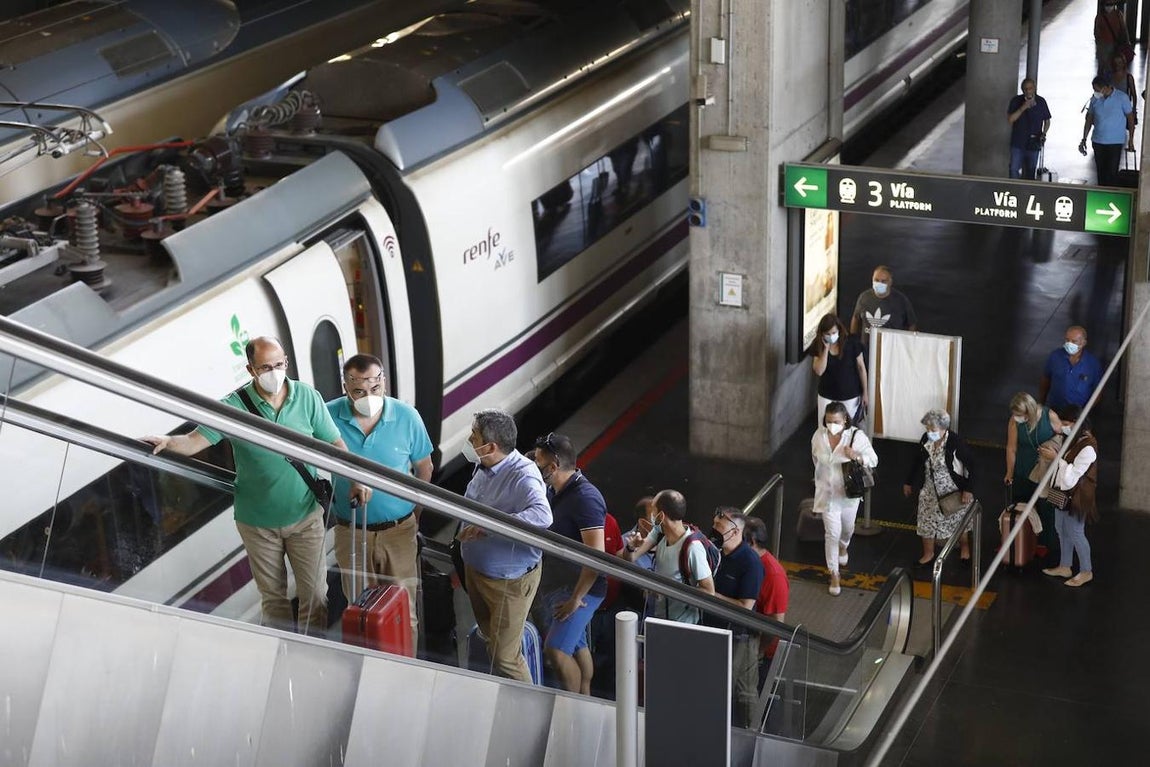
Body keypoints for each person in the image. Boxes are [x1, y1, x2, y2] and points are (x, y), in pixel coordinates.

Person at [145, 337, 358, 634]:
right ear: (251, 370)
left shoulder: (307, 397)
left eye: (279, 364)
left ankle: (310, 654)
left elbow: (335, 444)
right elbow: (194, 441)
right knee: (274, 600)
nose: (275, 372)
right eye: (266, 367)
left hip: (305, 517)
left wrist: (355, 479)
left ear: (287, 362)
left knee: (316, 596)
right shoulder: (233, 407)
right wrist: (168, 442)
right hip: (257, 524)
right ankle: (280, 652)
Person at [325, 354, 433, 649]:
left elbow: (424, 469)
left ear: (384, 382)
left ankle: (404, 667)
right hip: (351, 531)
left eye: (375, 388)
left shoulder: (407, 416)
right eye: (359, 391)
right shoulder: (328, 416)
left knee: (404, 611)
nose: (368, 397)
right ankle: (370, 667)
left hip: (399, 531)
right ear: (345, 388)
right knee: (360, 612)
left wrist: (414, 517)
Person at [457, 409, 552, 683]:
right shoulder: (485, 464)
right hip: (477, 572)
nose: (469, 441)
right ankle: (501, 689)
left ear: (491, 447)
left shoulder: (524, 475)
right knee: (491, 639)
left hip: (508, 583)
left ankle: (528, 703)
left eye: (474, 436)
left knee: (505, 657)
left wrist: (487, 526)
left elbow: (543, 516)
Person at [532, 432, 606, 695]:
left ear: (553, 467)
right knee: (576, 645)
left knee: (556, 649)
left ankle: (572, 706)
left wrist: (576, 598)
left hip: (581, 590)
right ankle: (585, 695)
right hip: (561, 584)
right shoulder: (555, 490)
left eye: (538, 463)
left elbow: (596, 557)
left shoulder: (586, 498)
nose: (534, 466)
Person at [705, 508, 764, 729]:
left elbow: (745, 607)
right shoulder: (715, 552)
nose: (714, 531)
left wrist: (711, 595)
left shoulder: (750, 562)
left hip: (740, 637)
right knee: (714, 685)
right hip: (712, 629)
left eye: (719, 528)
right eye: (714, 525)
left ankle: (752, 733)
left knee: (743, 691)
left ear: (736, 531)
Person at [811, 401, 878, 595]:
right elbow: (816, 459)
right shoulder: (818, 436)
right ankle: (834, 574)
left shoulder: (856, 437)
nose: (832, 425)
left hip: (849, 495)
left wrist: (856, 456)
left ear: (845, 420)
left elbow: (873, 459)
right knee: (832, 533)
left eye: (836, 421)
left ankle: (844, 546)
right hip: (826, 494)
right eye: (829, 421)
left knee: (847, 529)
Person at [620, 489, 715, 623]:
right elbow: (631, 558)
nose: (651, 515)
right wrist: (631, 547)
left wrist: (669, 591)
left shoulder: (693, 548)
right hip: (659, 616)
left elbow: (709, 591)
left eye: (653, 509)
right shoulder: (659, 531)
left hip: (683, 623)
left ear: (661, 515)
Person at [903, 409, 975, 567]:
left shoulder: (955, 443)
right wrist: (909, 482)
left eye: (933, 429)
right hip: (929, 490)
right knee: (926, 521)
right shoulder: (926, 439)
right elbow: (917, 460)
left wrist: (968, 489)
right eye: (927, 429)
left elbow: (973, 465)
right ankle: (928, 554)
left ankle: (965, 549)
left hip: (952, 490)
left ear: (944, 428)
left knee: (958, 521)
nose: (929, 433)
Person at [1040, 405, 1098, 587]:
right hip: (1064, 495)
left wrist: (1055, 458)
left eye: (1066, 424)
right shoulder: (1075, 437)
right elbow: (1060, 429)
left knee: (1075, 532)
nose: (1064, 427)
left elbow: (1072, 477)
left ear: (1076, 423)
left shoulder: (1088, 448)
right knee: (1061, 528)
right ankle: (1065, 566)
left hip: (1077, 497)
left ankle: (1086, 571)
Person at [1003, 392, 1062, 555]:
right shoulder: (1014, 422)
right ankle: (1023, 545)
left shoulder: (1049, 416)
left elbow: (1062, 436)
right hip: (1023, 469)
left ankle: (1048, 546)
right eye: (1015, 414)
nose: (1017, 418)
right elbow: (1011, 448)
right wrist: (1009, 472)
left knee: (1046, 510)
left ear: (1030, 411)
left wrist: (1053, 452)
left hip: (1044, 473)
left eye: (1020, 415)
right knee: (1022, 507)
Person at [743, 515, 789, 664]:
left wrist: (758, 652)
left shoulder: (774, 576)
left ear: (752, 542)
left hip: (763, 654)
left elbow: (776, 623)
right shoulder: (746, 561)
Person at [810, 313, 868, 424]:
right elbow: (819, 371)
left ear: (839, 330)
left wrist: (865, 392)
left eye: (833, 333)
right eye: (827, 334)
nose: (831, 336)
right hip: (827, 394)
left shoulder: (852, 343)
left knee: (846, 426)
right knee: (824, 426)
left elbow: (861, 367)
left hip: (849, 394)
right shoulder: (818, 345)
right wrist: (825, 350)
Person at [1080, 75, 1134, 187]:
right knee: (1101, 173)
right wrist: (1084, 138)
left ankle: (1112, 195)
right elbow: (1089, 119)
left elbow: (1130, 119)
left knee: (1112, 174)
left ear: (1105, 87)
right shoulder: (1095, 99)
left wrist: (1131, 140)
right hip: (1098, 141)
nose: (1095, 92)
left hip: (1115, 142)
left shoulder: (1122, 98)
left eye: (1097, 89)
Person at [1039, 325, 1103, 410]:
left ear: (1083, 343)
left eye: (1074, 341)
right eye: (1067, 340)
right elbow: (1045, 381)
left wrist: (1085, 411)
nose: (1069, 344)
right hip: (1055, 409)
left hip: (1078, 412)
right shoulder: (1055, 357)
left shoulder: (1092, 363)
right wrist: (1041, 404)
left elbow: (1098, 390)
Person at [849, 265, 919, 342]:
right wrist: (853, 340)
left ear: (890, 282)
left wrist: (908, 342)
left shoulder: (901, 300)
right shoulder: (864, 297)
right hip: (866, 346)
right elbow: (855, 317)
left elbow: (912, 323)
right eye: (876, 280)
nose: (879, 283)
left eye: (883, 281)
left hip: (891, 346)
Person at [1006, 78, 1051, 180]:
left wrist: (1044, 133)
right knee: (1013, 169)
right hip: (1018, 142)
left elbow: (1047, 121)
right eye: (1025, 89)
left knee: (1031, 171)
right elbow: (1010, 119)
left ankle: (1027, 189)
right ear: (1022, 90)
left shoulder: (1041, 102)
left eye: (1030, 88)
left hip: (1034, 142)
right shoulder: (1016, 101)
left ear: (1034, 88)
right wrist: (1023, 107)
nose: (1028, 91)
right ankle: (1014, 188)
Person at [1095, 1, 1131, 77]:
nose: (1109, 7)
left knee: (1106, 66)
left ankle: (1105, 80)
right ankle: (1106, 80)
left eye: (1110, 4)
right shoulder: (1117, 15)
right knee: (1109, 66)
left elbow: (1096, 32)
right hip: (1106, 46)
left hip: (1107, 46)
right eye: (1107, 5)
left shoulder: (1101, 16)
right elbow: (1124, 29)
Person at [1108, 52, 1138, 126]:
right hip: (1112, 107)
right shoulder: (1110, 76)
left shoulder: (1128, 77)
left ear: (1123, 64)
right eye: (1116, 63)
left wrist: (1134, 110)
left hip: (1124, 108)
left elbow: (1134, 95)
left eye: (1120, 63)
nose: (1117, 65)